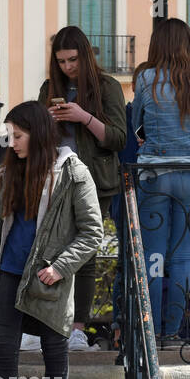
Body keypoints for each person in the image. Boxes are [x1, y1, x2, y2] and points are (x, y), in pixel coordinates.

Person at [0, 101, 103, 379]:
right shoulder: (8, 171)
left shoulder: (74, 172)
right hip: (10, 272)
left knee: (54, 349)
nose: (11, 143)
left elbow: (93, 233)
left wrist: (60, 267)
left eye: (18, 135)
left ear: (38, 133)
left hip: (50, 276)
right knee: (4, 352)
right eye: (9, 135)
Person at [39, 26, 128, 351]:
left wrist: (83, 117)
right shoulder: (49, 88)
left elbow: (119, 138)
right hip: (55, 179)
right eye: (61, 61)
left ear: (85, 55)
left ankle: (77, 328)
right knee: (49, 251)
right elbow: (33, 135)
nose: (67, 67)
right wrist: (46, 122)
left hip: (96, 182)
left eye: (73, 59)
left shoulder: (107, 86)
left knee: (84, 254)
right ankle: (50, 324)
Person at [131, 18, 190, 344]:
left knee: (153, 257)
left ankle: (149, 331)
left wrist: (148, 138)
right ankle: (172, 332)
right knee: (181, 257)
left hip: (154, 172)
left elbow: (135, 122)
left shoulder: (146, 79)